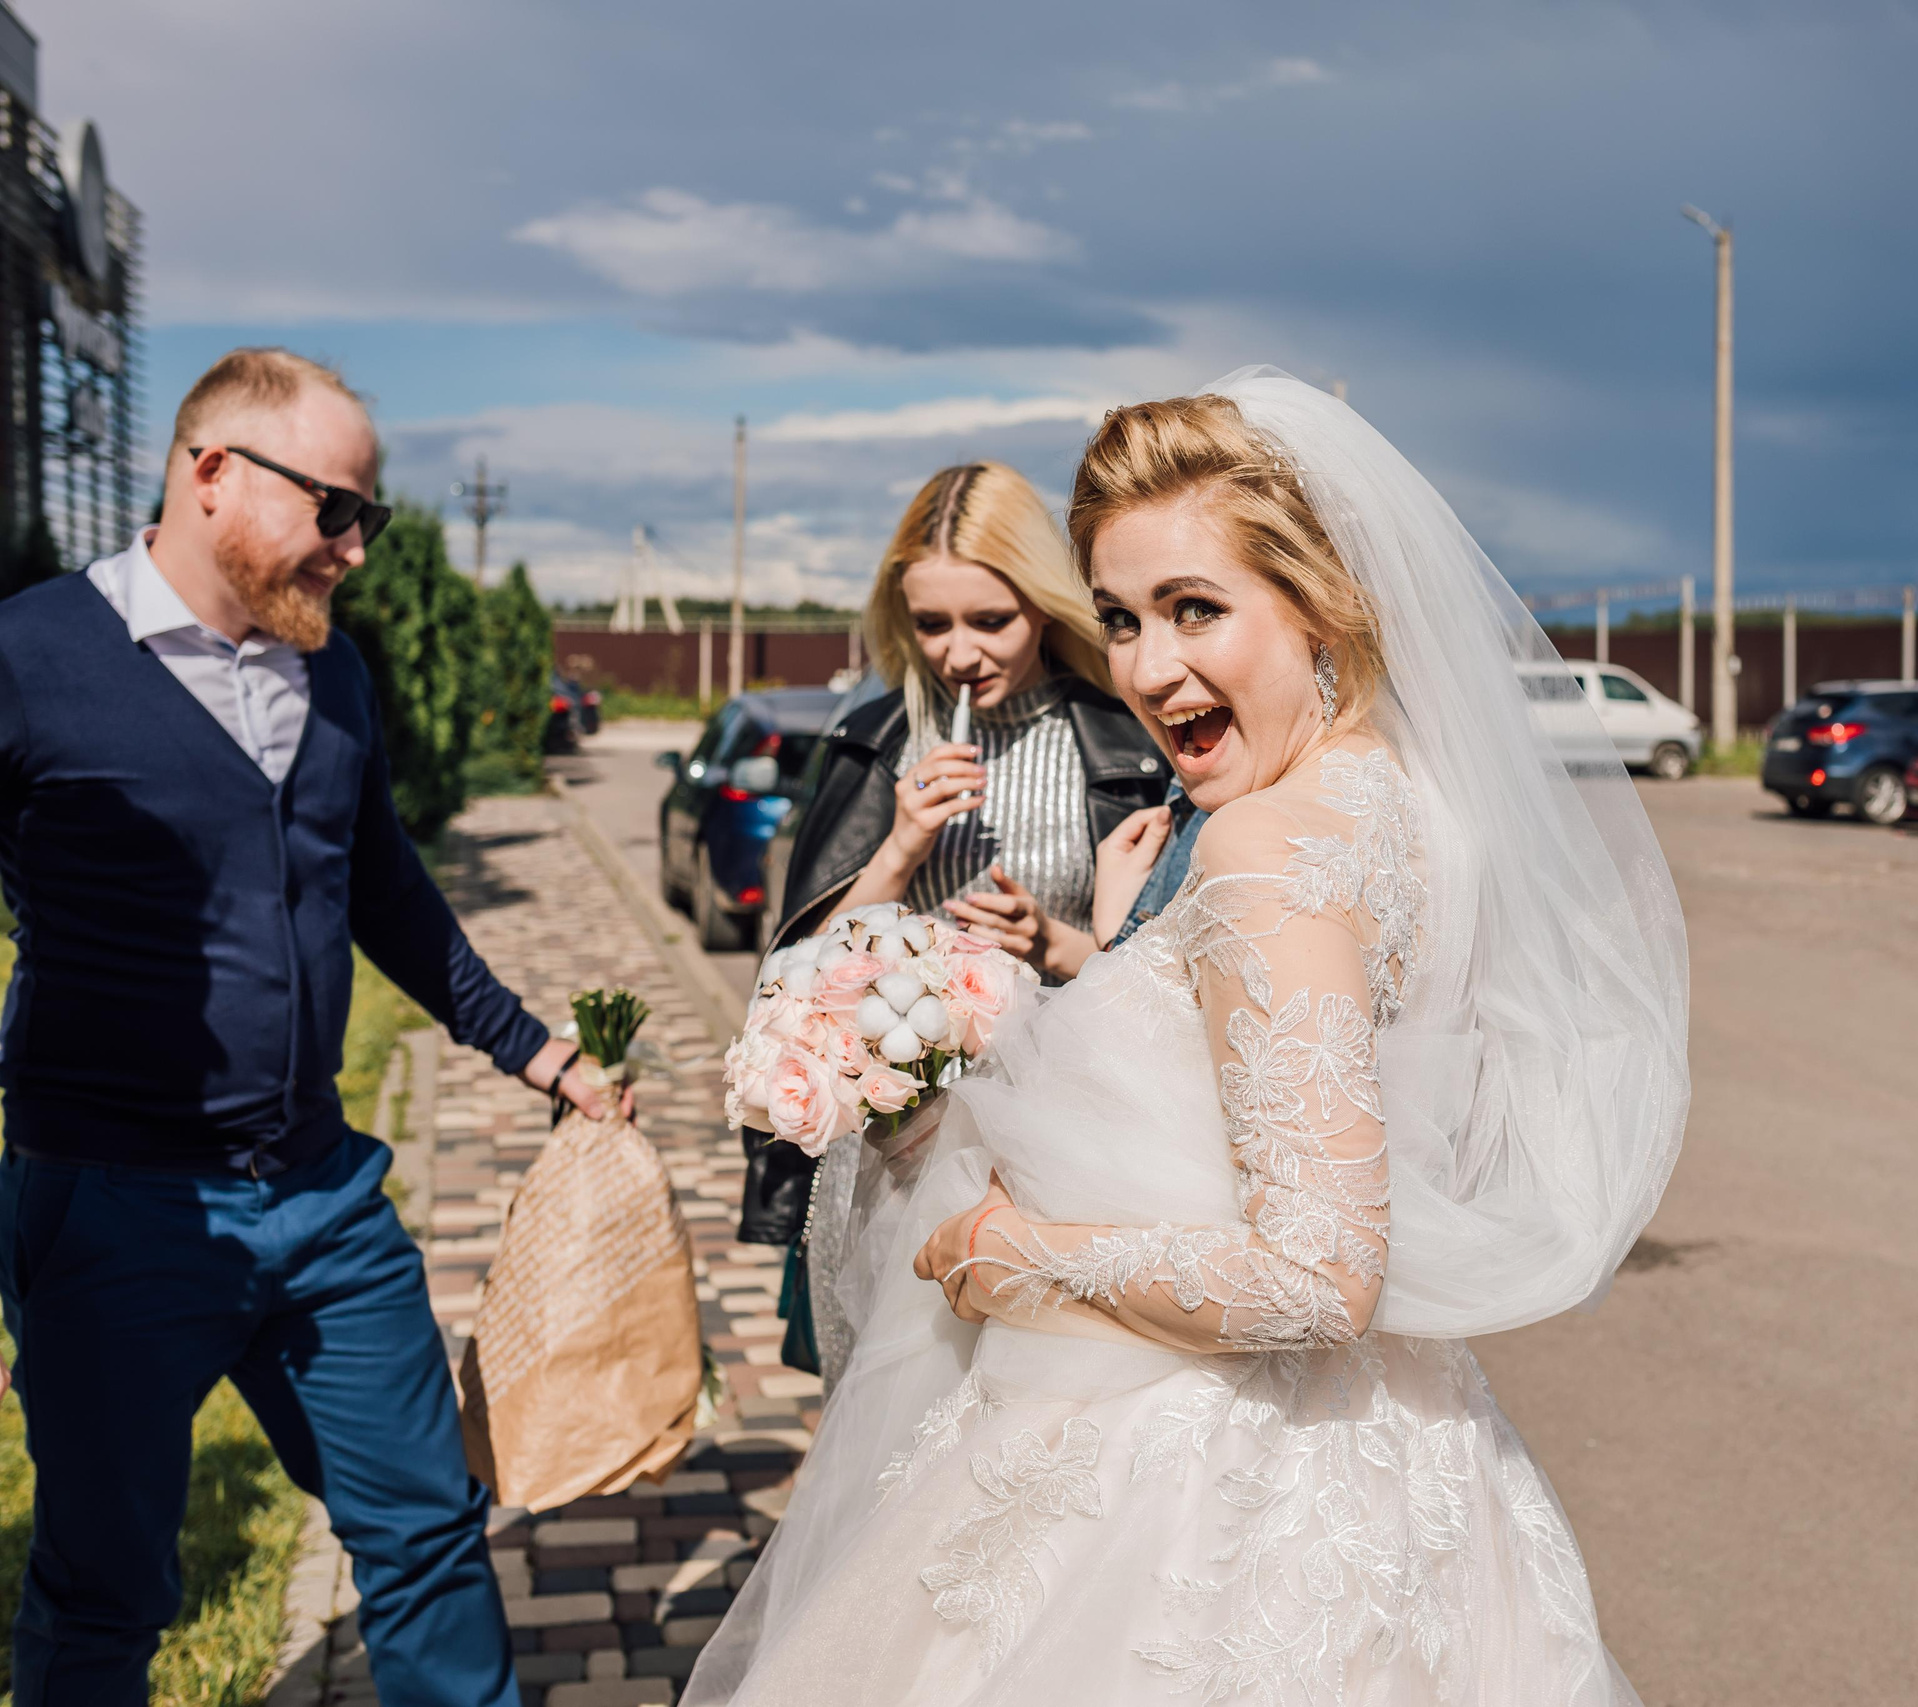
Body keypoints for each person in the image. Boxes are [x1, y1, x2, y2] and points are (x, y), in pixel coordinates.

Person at [684, 369, 1690, 1705]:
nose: (1151, 668)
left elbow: (1322, 1273)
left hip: (1198, 1497)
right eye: (1121, 618)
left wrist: (1015, 1248)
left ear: (1325, 595)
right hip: (1411, 1462)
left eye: (1196, 609)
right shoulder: (1412, 806)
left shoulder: (1267, 845)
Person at [0, 348, 628, 1705]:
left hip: (327, 1196)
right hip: (116, 1206)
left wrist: (530, 1045)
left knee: (426, 1529)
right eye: (334, 509)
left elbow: (382, 884)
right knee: (104, 1584)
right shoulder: (31, 658)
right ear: (210, 471)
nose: (354, 547)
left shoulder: (330, 674)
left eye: (370, 519)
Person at [734, 462, 1177, 1385]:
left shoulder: (1125, 738)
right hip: (899, 1146)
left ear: (1047, 604)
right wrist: (900, 846)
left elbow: (1171, 975)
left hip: (1060, 1141)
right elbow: (805, 972)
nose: (960, 653)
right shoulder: (877, 739)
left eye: (991, 620)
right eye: (932, 623)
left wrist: (1051, 943)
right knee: (894, 1406)